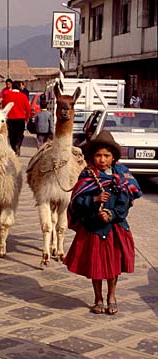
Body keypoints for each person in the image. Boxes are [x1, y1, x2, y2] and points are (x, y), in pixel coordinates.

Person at [63, 130, 142, 315]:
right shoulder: (88, 175)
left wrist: (112, 214)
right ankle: (98, 298)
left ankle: (111, 296)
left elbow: (127, 202)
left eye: (107, 155)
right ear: (92, 157)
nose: (102, 159)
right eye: (98, 155)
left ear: (113, 157)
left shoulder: (122, 175)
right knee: (96, 266)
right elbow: (77, 202)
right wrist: (95, 200)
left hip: (115, 229)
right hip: (94, 229)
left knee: (114, 266)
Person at [3, 80, 31, 156]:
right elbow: (28, 108)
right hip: (20, 118)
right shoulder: (23, 96)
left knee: (11, 135)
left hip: (10, 119)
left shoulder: (7, 95)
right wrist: (27, 118)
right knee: (20, 135)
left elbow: (4, 107)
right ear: (19, 87)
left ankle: (13, 148)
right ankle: (18, 145)